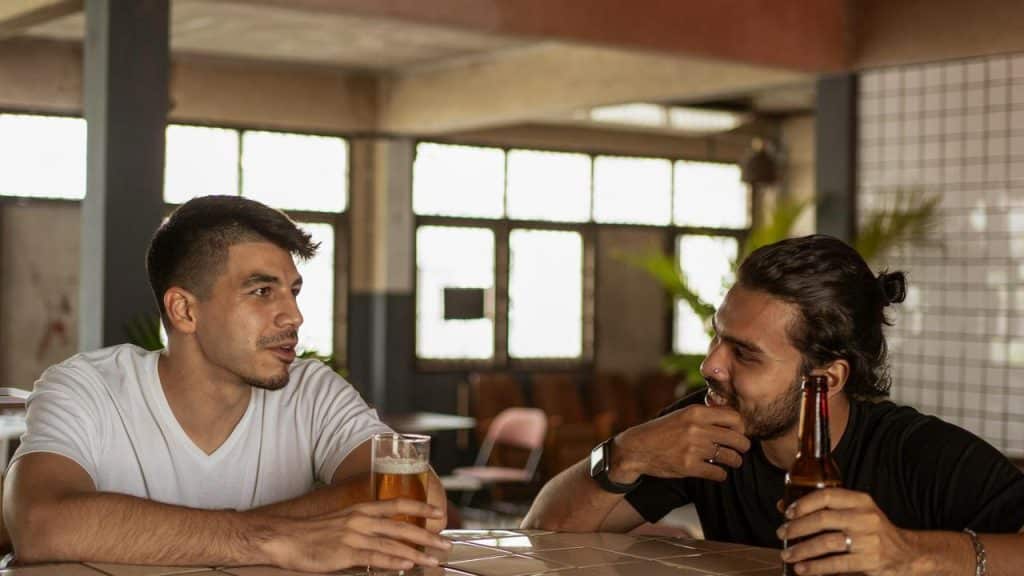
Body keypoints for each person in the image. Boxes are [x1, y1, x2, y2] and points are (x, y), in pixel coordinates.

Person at [523, 234, 1024, 576]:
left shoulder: (916, 452)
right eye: (718, 338)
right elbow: (542, 535)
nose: (711, 365)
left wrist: (909, 552)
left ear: (825, 379)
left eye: (744, 353)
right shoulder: (706, 431)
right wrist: (626, 452)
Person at [4, 195, 451, 572]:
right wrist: (268, 539)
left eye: (293, 291)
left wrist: (191, 537)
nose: (293, 316)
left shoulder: (312, 390)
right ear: (184, 311)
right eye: (262, 291)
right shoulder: (87, 388)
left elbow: (420, 500)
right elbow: (38, 524)